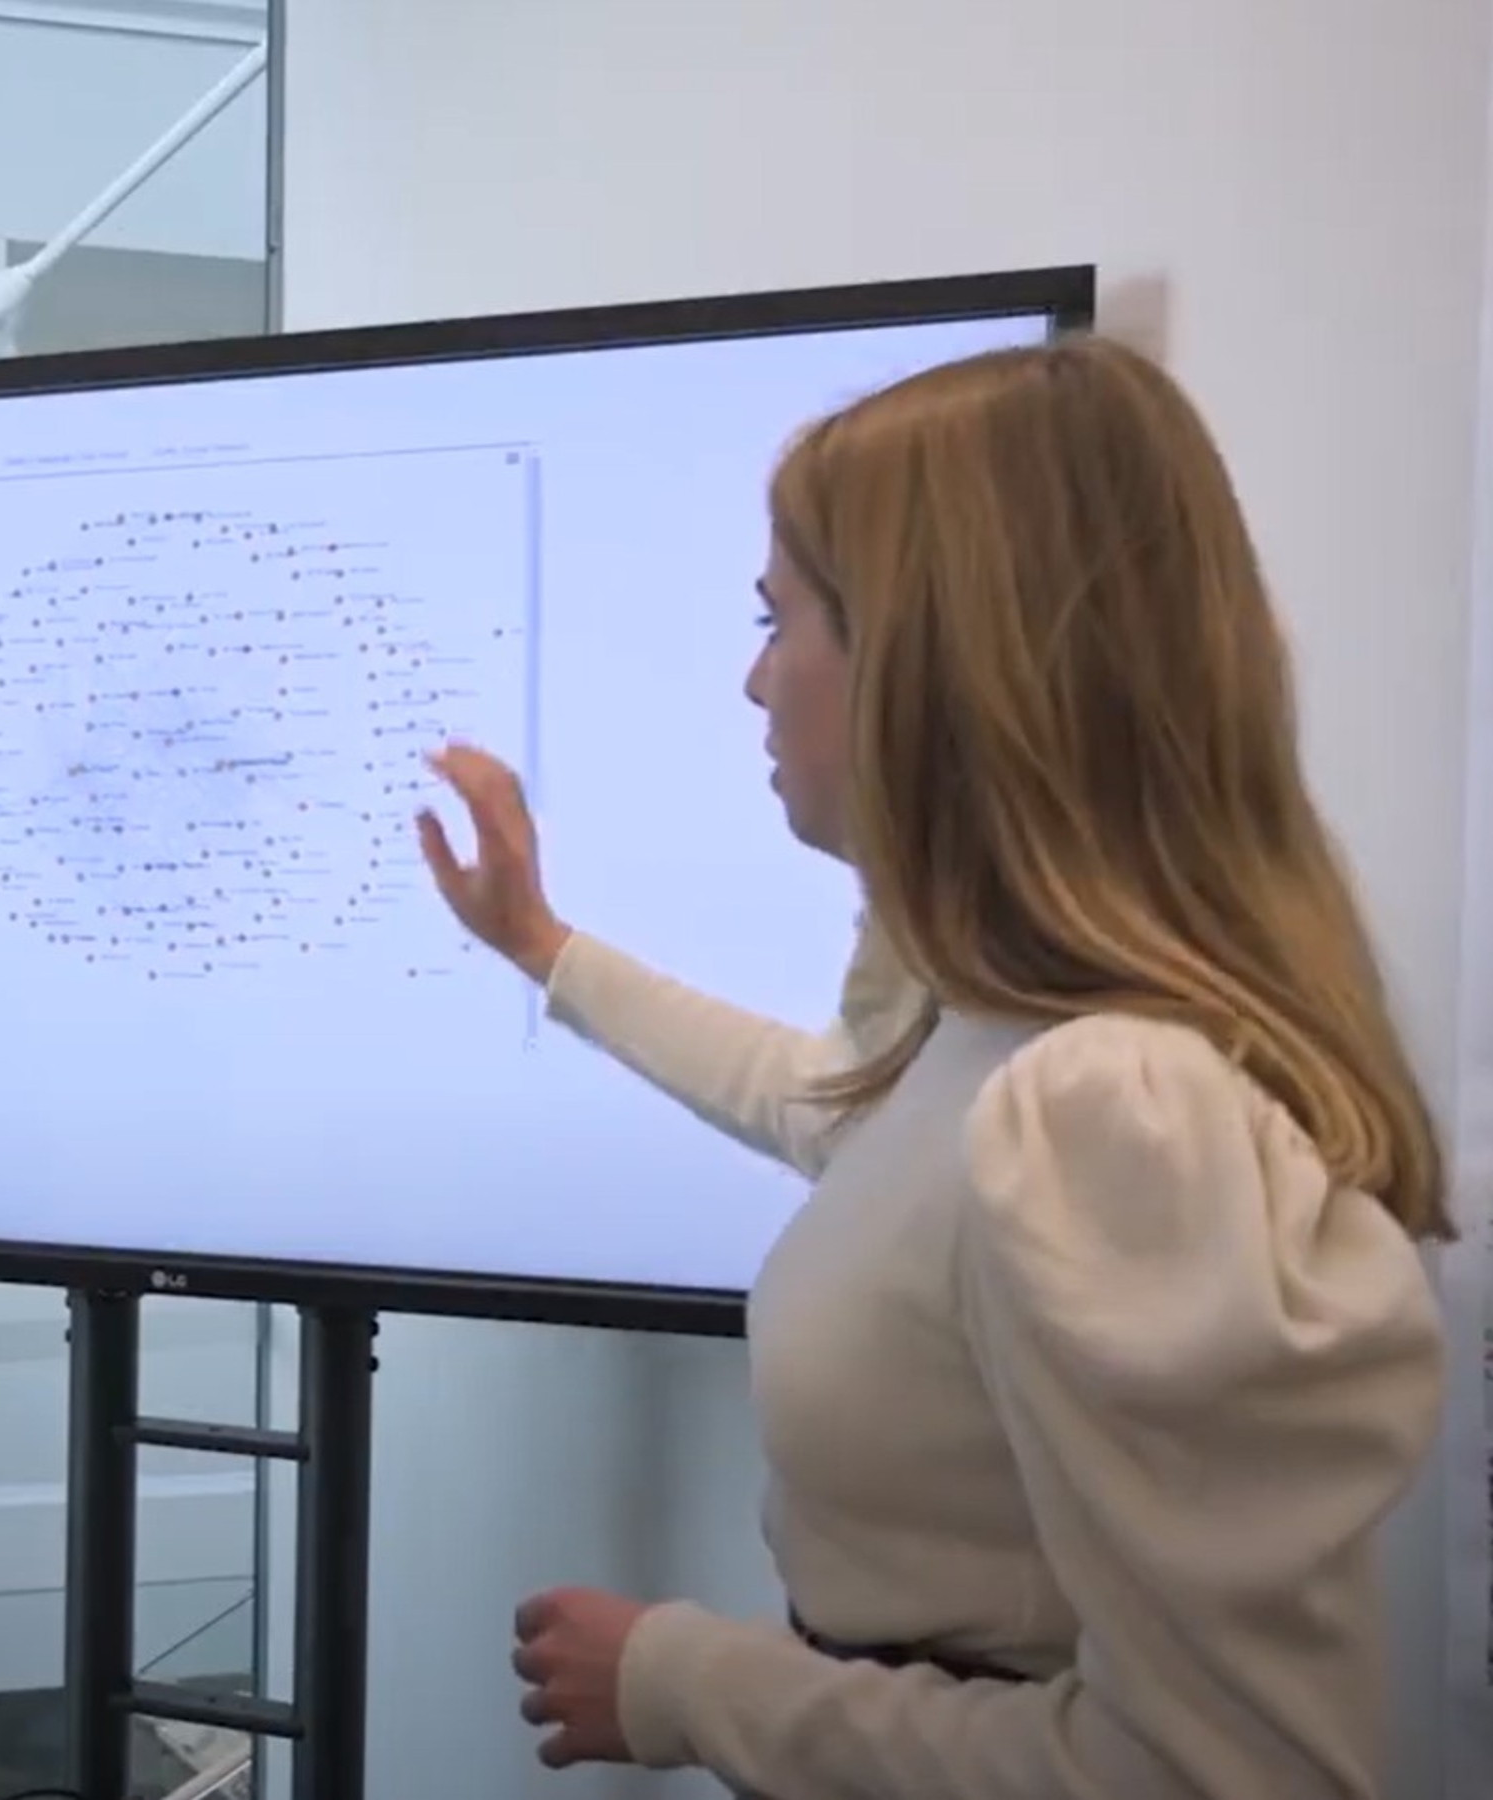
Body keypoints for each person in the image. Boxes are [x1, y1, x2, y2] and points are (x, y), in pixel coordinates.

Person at [419, 334, 1450, 1797]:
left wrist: (689, 1681)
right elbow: (836, 1113)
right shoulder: (998, 1036)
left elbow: (1212, 1779)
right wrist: (541, 946)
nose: (754, 680)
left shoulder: (1109, 1111)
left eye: (780, 621)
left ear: (930, 660)